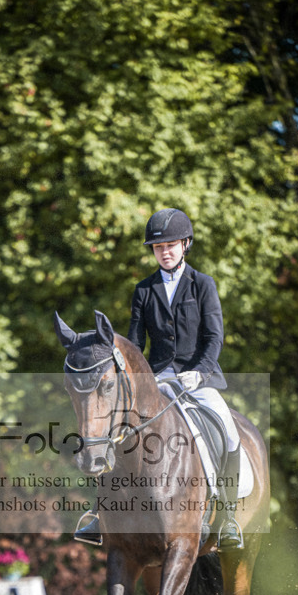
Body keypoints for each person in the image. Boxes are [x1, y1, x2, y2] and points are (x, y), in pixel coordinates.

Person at [74, 207, 243, 549]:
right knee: (114, 428)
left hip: (199, 378)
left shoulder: (203, 285)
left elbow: (214, 337)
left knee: (227, 431)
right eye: (157, 247)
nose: (164, 251)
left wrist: (202, 371)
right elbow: (135, 344)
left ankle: (227, 518)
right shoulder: (144, 290)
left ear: (185, 244)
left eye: (170, 245)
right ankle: (99, 511)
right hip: (158, 378)